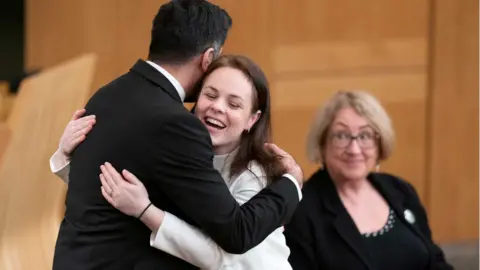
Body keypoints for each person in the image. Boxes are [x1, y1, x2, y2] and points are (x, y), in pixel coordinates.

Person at [51, 1, 303, 269]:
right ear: (207, 58)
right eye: (211, 94)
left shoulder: (105, 96)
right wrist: (292, 184)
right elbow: (234, 233)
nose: (217, 107)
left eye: (234, 103)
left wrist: (65, 157)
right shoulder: (176, 124)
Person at [283, 90, 453, 270]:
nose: (354, 149)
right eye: (341, 136)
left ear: (379, 144)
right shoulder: (302, 209)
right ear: (322, 143)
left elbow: (434, 261)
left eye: (365, 136)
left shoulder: (400, 190)